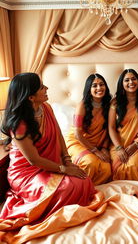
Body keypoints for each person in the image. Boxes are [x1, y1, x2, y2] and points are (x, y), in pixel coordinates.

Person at [0, 73, 96, 229]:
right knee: (67, 188)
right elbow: (34, 161)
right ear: (31, 97)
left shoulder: (46, 108)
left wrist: (67, 161)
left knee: (84, 180)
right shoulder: (19, 124)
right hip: (27, 172)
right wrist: (64, 170)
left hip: (52, 165)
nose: (47, 89)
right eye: (42, 87)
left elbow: (59, 136)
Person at [108, 69, 138, 180]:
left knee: (134, 165)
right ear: (122, 84)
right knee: (120, 166)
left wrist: (136, 144)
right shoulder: (115, 103)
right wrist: (119, 148)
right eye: (127, 80)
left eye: (134, 79)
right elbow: (111, 127)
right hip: (118, 143)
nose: (131, 82)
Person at [66, 74, 112, 185]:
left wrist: (105, 149)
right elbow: (77, 134)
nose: (99, 88)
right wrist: (95, 151)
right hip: (78, 142)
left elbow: (109, 130)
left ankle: (93, 188)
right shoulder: (82, 105)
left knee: (106, 168)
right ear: (89, 89)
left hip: (98, 144)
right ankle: (81, 188)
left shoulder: (109, 105)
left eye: (101, 85)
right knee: (90, 162)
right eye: (94, 86)